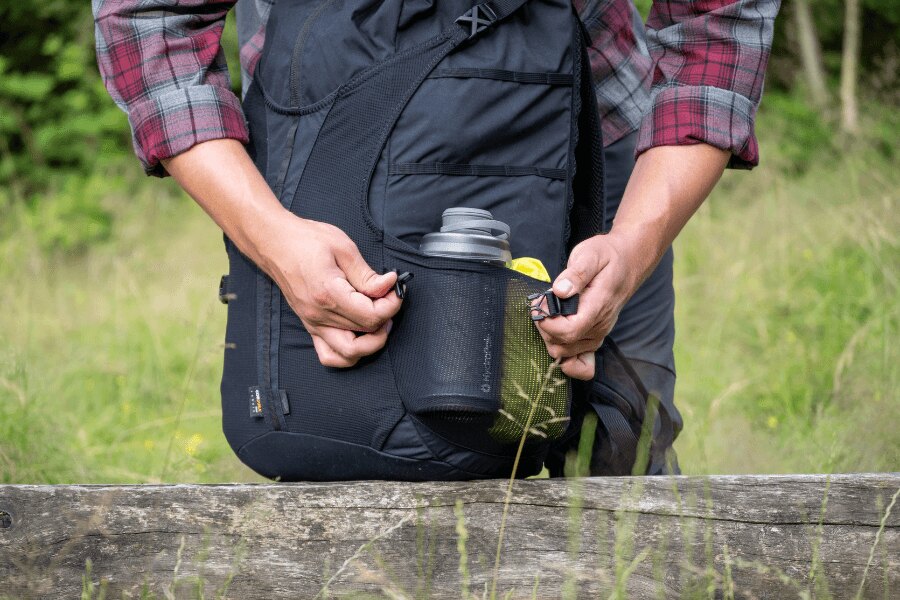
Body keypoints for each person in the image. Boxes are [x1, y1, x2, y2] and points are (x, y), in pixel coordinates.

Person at [92, 0, 779, 476]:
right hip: (323, 176)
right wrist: (272, 238)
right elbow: (150, 20)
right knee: (340, 458)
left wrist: (633, 245)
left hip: (602, 164)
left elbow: (716, 22)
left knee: (624, 473)